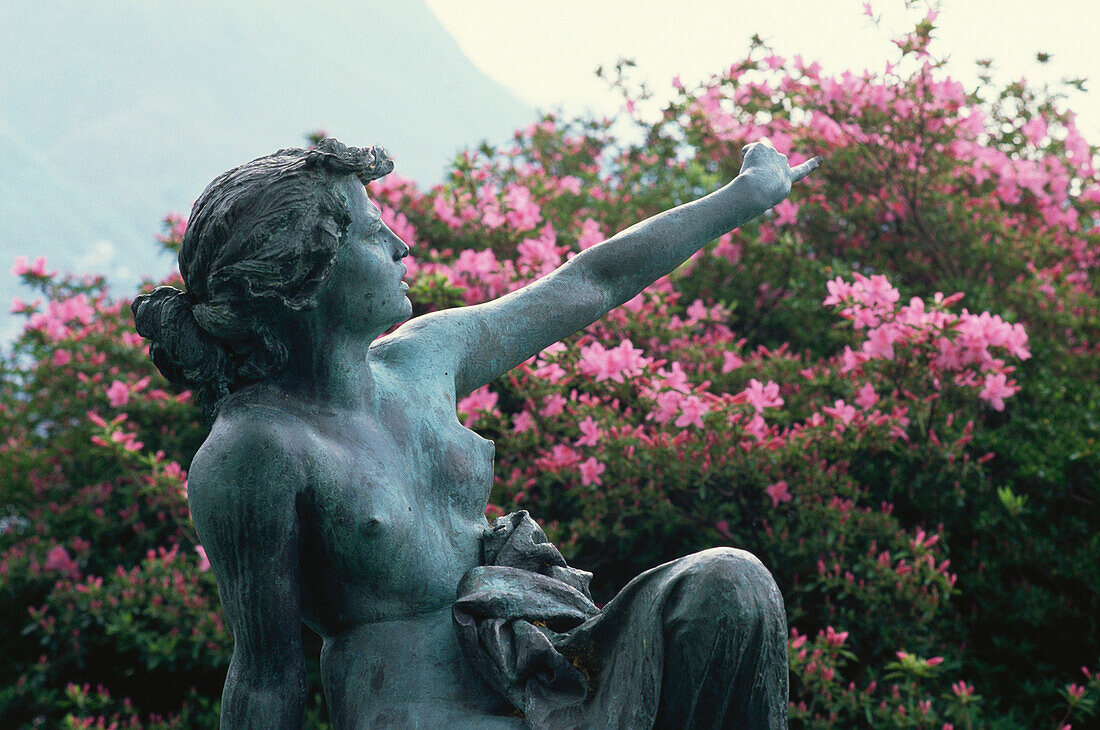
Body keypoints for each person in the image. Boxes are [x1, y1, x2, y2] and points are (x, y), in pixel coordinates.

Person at [133, 138, 820, 729]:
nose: (402, 246)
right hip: (419, 710)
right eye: (375, 233)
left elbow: (592, 281)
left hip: (539, 672)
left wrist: (746, 195)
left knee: (733, 585)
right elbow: (265, 677)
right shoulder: (254, 451)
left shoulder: (425, 356)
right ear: (305, 274)